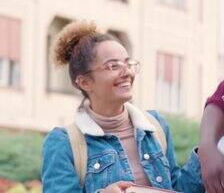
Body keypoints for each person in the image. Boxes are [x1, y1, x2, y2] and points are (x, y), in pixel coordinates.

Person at [41, 21, 203, 193]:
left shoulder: (155, 127)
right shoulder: (63, 143)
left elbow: (177, 189)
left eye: (127, 64)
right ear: (85, 82)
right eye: (113, 66)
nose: (127, 72)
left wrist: (206, 152)